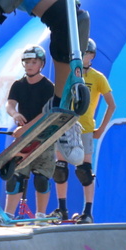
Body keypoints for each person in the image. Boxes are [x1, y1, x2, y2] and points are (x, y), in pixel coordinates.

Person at [53, 38, 116, 224]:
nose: (83, 56)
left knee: (84, 171)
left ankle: (88, 212)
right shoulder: (68, 74)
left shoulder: (97, 77)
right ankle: (62, 209)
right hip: (65, 126)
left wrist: (101, 129)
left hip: (85, 128)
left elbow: (112, 105)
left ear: (92, 56)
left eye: (86, 53)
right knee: (60, 169)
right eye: (80, 53)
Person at [3, 45, 56, 218]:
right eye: (26, 62)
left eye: (34, 62)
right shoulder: (18, 85)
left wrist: (25, 129)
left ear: (41, 63)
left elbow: (45, 114)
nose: (29, 65)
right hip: (23, 139)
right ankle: (8, 215)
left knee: (41, 179)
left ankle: (41, 214)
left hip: (43, 138)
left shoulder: (48, 86)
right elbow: (9, 104)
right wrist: (15, 113)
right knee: (15, 177)